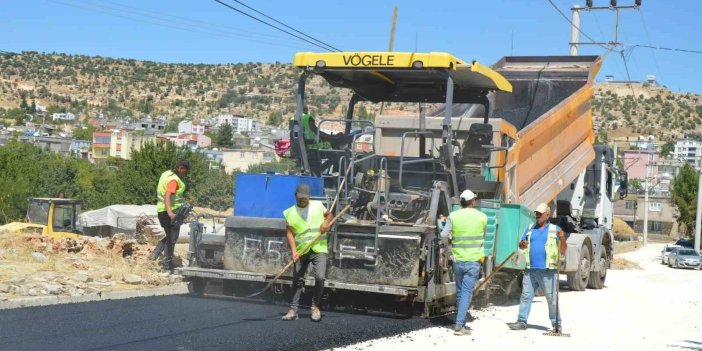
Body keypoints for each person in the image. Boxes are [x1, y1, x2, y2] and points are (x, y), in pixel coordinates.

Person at [507, 203, 567, 333]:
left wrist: (562, 238)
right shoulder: (529, 228)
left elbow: (563, 250)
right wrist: (522, 244)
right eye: (536, 213)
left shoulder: (555, 229)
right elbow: (521, 245)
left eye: (540, 214)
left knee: (551, 299)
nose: (537, 216)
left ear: (547, 215)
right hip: (530, 270)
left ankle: (557, 324)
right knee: (526, 296)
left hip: (547, 271)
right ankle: (521, 321)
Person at [281, 183, 333, 322]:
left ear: (308, 197)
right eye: (300, 197)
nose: (302, 200)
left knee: (320, 277)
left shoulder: (317, 205)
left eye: (305, 197)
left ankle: (315, 307)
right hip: (301, 249)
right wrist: (294, 251)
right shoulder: (290, 212)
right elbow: (290, 233)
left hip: (319, 247)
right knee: (297, 279)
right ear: (295, 196)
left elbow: (329, 215)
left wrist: (326, 223)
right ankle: (293, 310)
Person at [440, 189, 487, 336]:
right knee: (466, 292)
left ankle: (461, 322)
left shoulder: (453, 216)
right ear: (473, 201)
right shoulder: (482, 217)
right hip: (473, 261)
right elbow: (483, 236)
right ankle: (459, 326)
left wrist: (449, 250)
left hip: (458, 260)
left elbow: (443, 235)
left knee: (460, 293)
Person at [151, 160, 189, 272]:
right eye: (185, 171)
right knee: (172, 238)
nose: (185, 174)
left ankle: (154, 255)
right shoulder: (174, 180)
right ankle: (167, 266)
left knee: (169, 236)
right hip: (171, 212)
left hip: (161, 209)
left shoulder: (166, 174)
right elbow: (168, 195)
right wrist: (171, 213)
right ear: (181, 168)